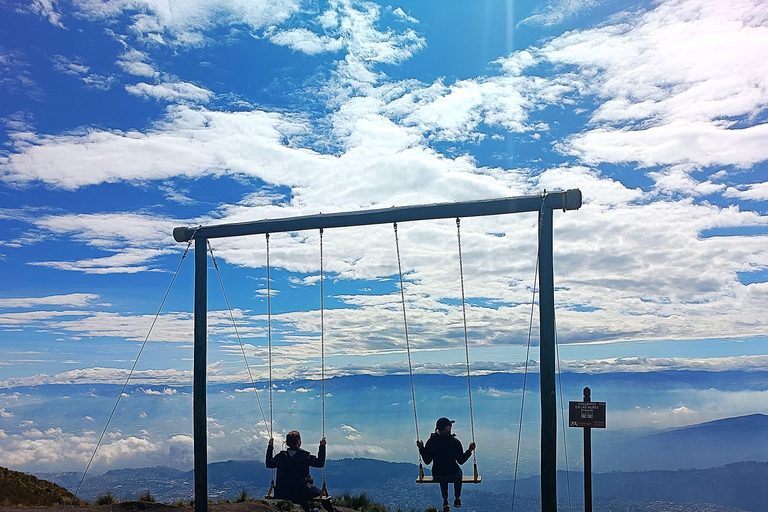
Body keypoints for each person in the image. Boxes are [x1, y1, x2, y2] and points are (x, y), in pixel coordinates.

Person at [266, 430, 336, 512]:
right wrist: (322, 446)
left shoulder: (281, 456)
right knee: (320, 494)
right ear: (298, 442)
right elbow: (319, 463)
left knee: (299, 489)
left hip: (283, 491)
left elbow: (269, 464)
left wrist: (270, 447)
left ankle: (308, 510)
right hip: (300, 491)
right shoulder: (304, 456)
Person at [417, 417, 476, 512]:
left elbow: (427, 461)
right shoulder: (454, 442)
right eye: (450, 425)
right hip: (453, 473)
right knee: (458, 474)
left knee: (442, 475)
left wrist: (421, 448)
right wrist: (469, 450)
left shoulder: (431, 441)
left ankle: (445, 500)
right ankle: (457, 498)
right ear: (446, 428)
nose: (451, 427)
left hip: (437, 474)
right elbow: (461, 460)